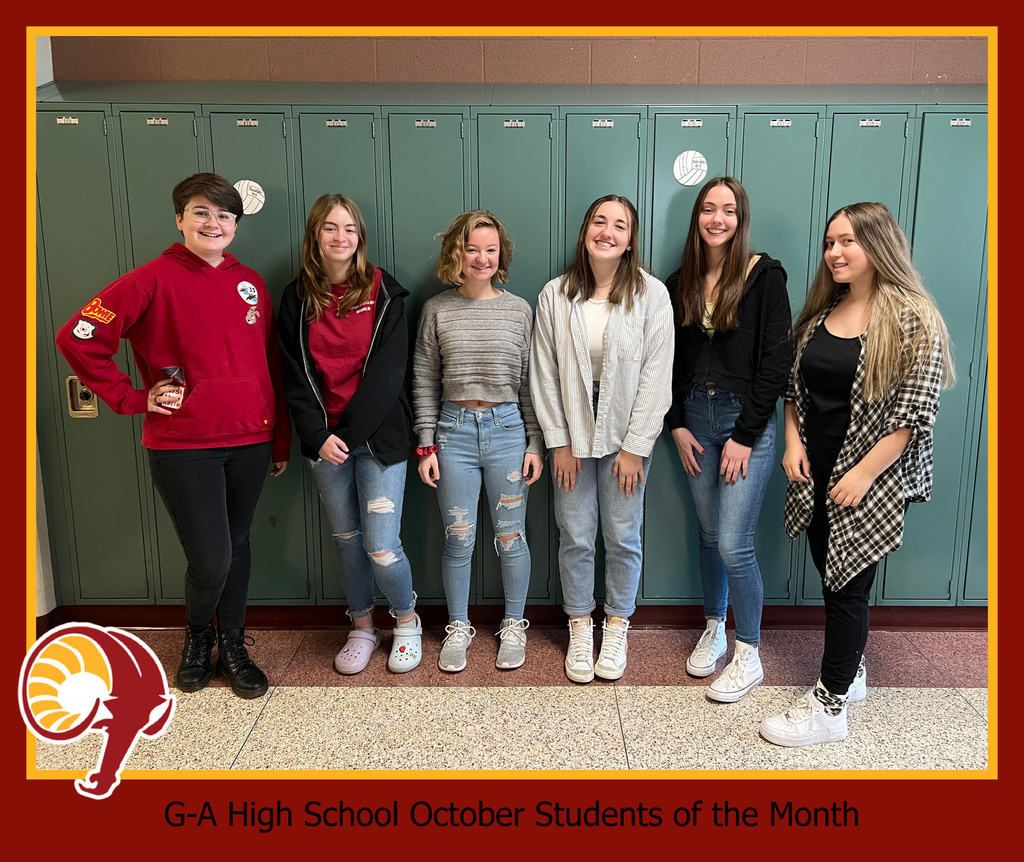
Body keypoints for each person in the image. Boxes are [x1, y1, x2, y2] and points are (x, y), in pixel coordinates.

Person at [55, 173, 291, 699]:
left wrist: (279, 438)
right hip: (184, 446)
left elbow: (269, 362)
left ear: (235, 224)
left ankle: (232, 644)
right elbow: (78, 337)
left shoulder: (248, 281)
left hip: (251, 439)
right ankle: (196, 636)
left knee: (238, 546)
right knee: (211, 558)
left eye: (225, 215)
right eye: (202, 212)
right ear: (180, 218)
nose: (214, 223)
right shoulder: (149, 279)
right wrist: (133, 398)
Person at [760, 201, 955, 746]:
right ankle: (853, 669)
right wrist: (793, 443)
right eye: (829, 243)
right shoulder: (825, 310)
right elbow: (794, 391)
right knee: (831, 571)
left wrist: (864, 474)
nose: (834, 252)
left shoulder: (913, 317)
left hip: (869, 477)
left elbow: (913, 414)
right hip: (814, 469)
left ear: (878, 245)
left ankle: (829, 707)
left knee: (847, 585)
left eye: (847, 241)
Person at [530, 194, 674, 683]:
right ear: (585, 230)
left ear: (631, 239)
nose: (607, 232)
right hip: (570, 428)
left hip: (625, 434)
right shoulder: (556, 294)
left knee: (622, 534)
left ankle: (615, 625)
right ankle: (578, 624)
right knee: (574, 534)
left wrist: (636, 446)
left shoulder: (652, 295)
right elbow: (543, 372)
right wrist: (558, 441)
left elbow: (658, 377)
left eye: (620, 225)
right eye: (599, 221)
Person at [278, 194, 421, 675]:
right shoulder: (296, 297)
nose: (341, 238)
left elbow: (388, 375)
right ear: (314, 236)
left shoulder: (384, 292)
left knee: (382, 544)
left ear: (360, 237)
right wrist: (317, 435)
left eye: (350, 229)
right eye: (330, 228)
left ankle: (406, 620)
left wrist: (347, 433)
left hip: (379, 441)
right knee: (346, 538)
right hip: (324, 443)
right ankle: (362, 626)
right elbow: (294, 374)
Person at [664, 176, 792, 702]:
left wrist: (746, 434)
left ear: (741, 219)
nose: (718, 219)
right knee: (710, 534)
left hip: (747, 423)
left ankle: (749, 653)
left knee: (735, 544)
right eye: (709, 209)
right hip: (696, 418)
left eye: (729, 210)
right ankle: (714, 627)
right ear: (697, 217)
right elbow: (666, 361)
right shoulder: (680, 282)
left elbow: (776, 362)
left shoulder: (765, 275)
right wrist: (675, 423)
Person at [413, 210, 545, 672]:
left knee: (511, 537)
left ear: (500, 255)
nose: (482, 258)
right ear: (456, 252)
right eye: (472, 249)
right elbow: (425, 379)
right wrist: (426, 444)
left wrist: (535, 443)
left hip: (508, 431)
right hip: (453, 433)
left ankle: (513, 623)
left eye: (491, 249)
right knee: (458, 538)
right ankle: (457, 626)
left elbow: (531, 383)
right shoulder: (436, 309)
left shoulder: (519, 310)